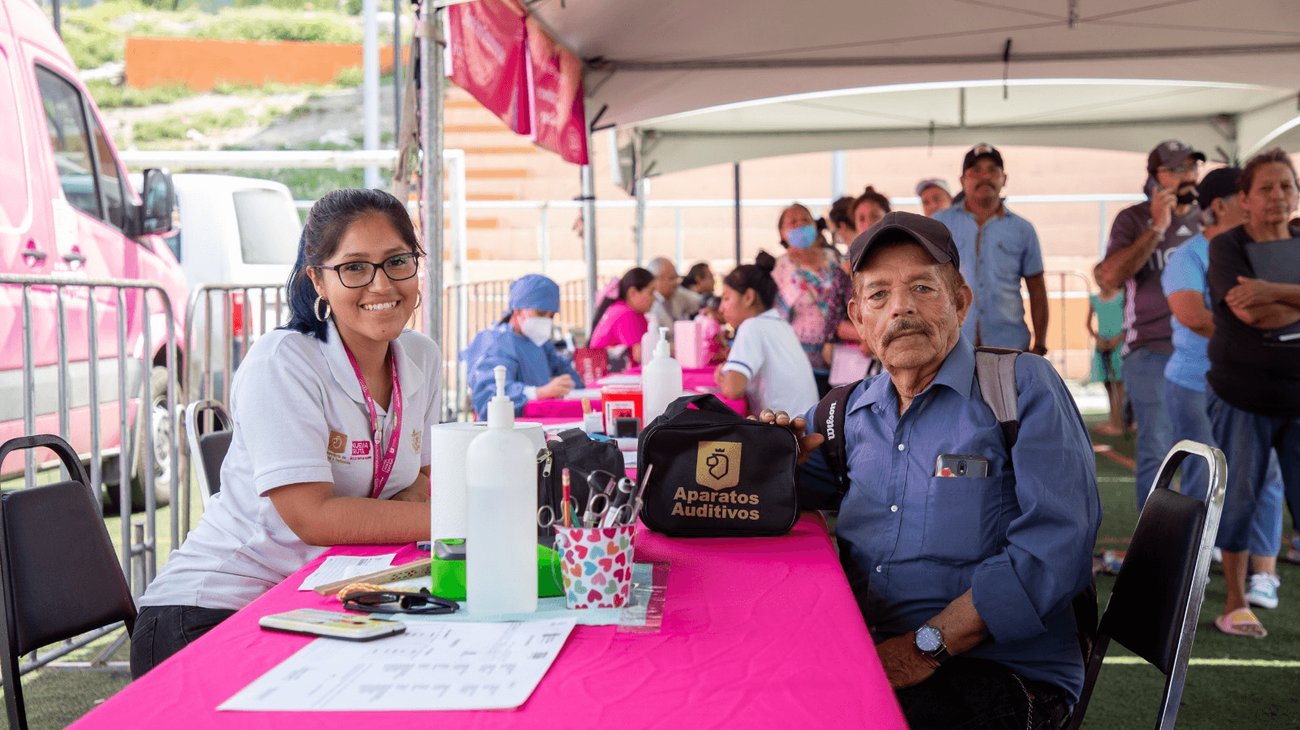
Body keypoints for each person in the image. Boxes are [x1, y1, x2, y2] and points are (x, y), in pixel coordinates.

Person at [775, 211, 1098, 728]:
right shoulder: (848, 412)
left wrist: (924, 648)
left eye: (922, 288)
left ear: (961, 302)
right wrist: (773, 453)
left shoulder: (1019, 388)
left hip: (1002, 670)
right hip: (874, 651)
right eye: (879, 295)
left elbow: (1056, 545)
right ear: (858, 319)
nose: (901, 306)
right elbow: (776, 494)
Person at [130, 189, 438, 677]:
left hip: (323, 598)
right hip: (211, 612)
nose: (381, 285)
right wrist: (457, 520)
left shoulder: (421, 356)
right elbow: (313, 518)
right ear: (317, 278)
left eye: (397, 261)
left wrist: (398, 511)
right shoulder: (284, 360)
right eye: (354, 267)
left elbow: (422, 480)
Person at [1162, 166, 1286, 613]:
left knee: (1266, 476)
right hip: (1198, 382)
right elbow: (1193, 316)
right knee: (1203, 476)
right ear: (1221, 206)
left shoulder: (1266, 252)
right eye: (1247, 193)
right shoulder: (1189, 255)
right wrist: (1258, 329)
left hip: (1264, 383)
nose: (1263, 200)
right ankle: (1196, 568)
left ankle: (1265, 573)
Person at [1205, 149, 1300, 639]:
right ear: (1244, 198)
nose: (1277, 197)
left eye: (1286, 186)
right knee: (1238, 501)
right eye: (1265, 188)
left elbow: (1266, 304)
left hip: (1297, 400)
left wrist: (1271, 290)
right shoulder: (1228, 248)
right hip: (1242, 398)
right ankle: (1237, 603)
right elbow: (1250, 315)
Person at [1095, 139, 1205, 509]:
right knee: (1157, 448)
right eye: (1174, 170)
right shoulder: (1133, 219)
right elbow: (1108, 277)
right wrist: (1156, 229)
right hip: (1151, 350)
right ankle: (1154, 548)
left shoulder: (1212, 215)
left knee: (1204, 450)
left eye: (1190, 168)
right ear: (1154, 179)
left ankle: (1199, 545)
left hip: (1205, 348)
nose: (1185, 176)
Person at [933, 143, 1049, 354]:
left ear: (1004, 179)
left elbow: (1037, 289)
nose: (984, 177)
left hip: (1009, 344)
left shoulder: (1023, 229)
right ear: (962, 180)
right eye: (976, 171)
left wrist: (1040, 344)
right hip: (951, 344)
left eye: (992, 171)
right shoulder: (939, 224)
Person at [462, 274, 583, 417]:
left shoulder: (539, 342)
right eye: (541, 312)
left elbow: (571, 379)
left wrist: (565, 383)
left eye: (551, 316)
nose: (546, 320)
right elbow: (490, 396)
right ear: (517, 310)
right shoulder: (496, 342)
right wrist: (539, 392)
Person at [715, 252, 818, 415]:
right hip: (807, 424)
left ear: (749, 297)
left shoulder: (752, 326)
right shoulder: (781, 325)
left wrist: (722, 377)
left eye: (726, 298)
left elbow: (732, 389)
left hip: (788, 432)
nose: (721, 308)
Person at [772, 202, 853, 396]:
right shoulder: (781, 268)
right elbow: (778, 319)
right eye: (793, 222)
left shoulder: (833, 258)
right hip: (801, 362)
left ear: (815, 226)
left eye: (805, 219)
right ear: (783, 233)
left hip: (843, 358)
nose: (800, 225)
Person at [1086, 275, 1126, 436]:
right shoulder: (1094, 299)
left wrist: (1118, 338)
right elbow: (1088, 324)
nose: (1101, 280)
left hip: (1119, 346)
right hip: (1102, 347)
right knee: (1109, 385)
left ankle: (1120, 423)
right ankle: (1113, 420)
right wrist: (1098, 339)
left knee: (1119, 386)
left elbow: (1130, 321)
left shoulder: (1122, 297)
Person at [590, 267, 655, 364]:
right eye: (651, 293)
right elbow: (640, 356)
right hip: (609, 376)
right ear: (632, 292)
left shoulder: (620, 309)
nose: (654, 298)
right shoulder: (626, 315)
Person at [646, 256, 701, 334]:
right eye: (671, 278)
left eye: (677, 278)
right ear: (657, 280)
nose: (676, 282)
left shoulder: (678, 293)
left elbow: (700, 301)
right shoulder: (648, 303)